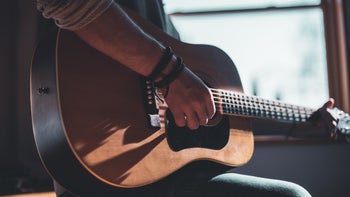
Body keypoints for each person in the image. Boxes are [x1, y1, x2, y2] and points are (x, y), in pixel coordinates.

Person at [36, 0, 339, 196]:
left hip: (164, 178)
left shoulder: (159, 18)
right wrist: (169, 75)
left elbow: (196, 112)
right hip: (99, 176)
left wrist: (292, 121)